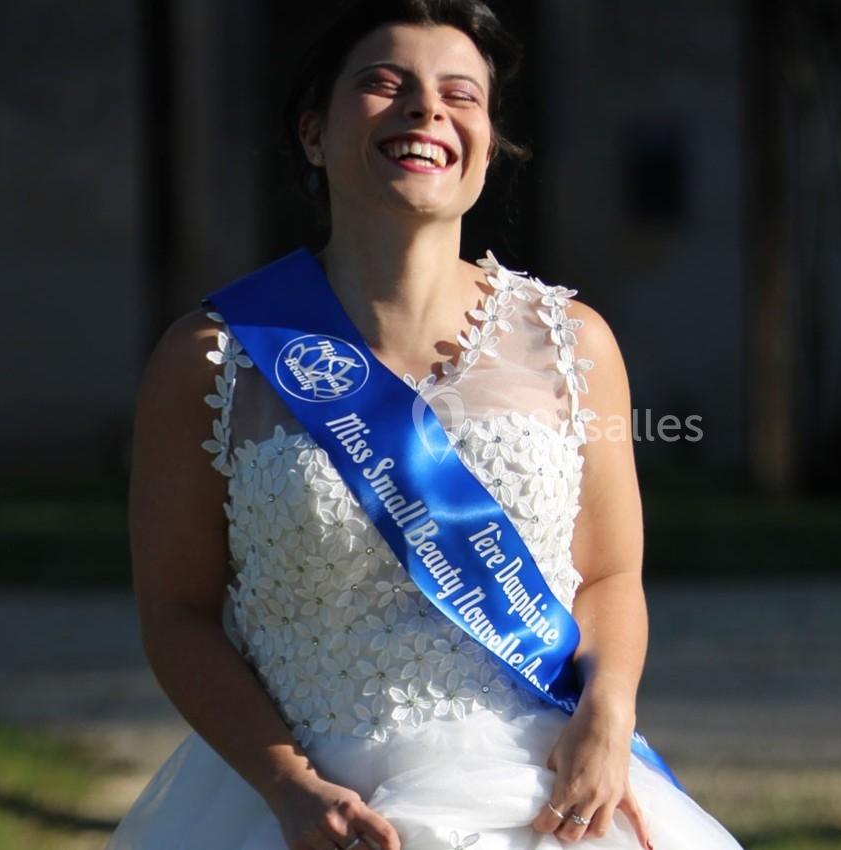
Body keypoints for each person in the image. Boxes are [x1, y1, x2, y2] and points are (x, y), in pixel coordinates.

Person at [107, 2, 746, 848]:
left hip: (538, 789)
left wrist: (608, 715)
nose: (426, 110)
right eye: (383, 84)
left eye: (460, 94)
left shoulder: (574, 345)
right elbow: (177, 612)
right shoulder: (210, 360)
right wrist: (288, 786)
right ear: (311, 134)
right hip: (301, 804)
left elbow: (609, 576)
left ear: (485, 145)